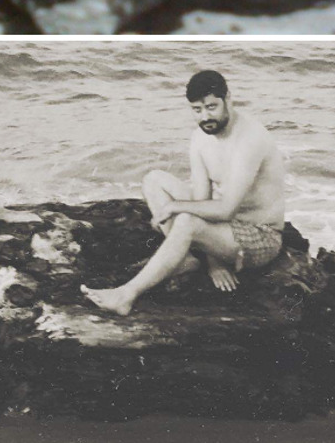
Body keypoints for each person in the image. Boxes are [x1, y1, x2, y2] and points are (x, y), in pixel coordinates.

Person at [81, 69, 285, 316]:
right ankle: (185, 259)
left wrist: (175, 207)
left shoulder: (250, 139)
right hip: (224, 231)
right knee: (154, 180)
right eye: (197, 110)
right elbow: (201, 199)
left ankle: (126, 295)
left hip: (260, 236)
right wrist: (214, 261)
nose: (205, 116)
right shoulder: (201, 138)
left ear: (228, 99)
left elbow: (225, 209)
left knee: (186, 220)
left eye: (211, 107)